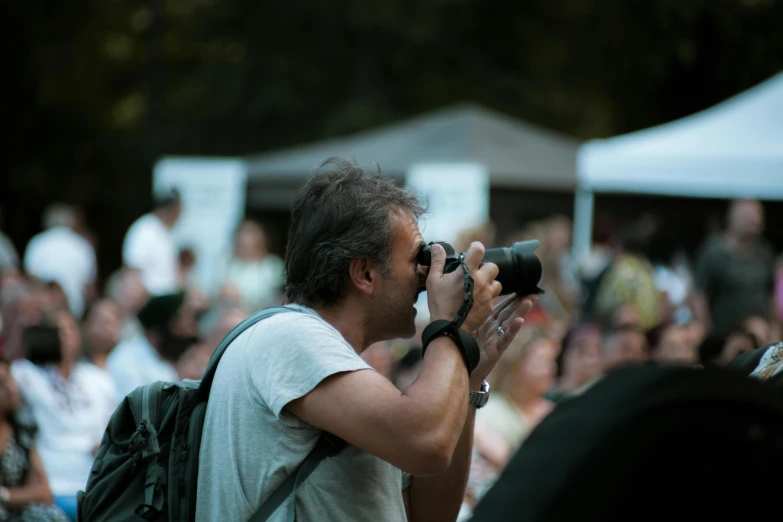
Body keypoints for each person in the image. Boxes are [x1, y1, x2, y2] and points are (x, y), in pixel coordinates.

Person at [195, 157, 537, 522]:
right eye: (416, 259)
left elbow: (430, 514)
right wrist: (452, 327)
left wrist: (466, 377)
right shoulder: (290, 338)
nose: (425, 275)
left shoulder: (338, 366)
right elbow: (427, 444)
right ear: (365, 273)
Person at [11, 312, 116, 520]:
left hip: (93, 481)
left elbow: (109, 433)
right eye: (57, 332)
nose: (64, 337)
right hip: (52, 483)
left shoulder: (98, 379)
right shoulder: (26, 374)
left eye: (69, 330)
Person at [0, 355, 70, 522]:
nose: (12, 387)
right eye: (2, 383)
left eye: (11, 378)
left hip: (14, 513)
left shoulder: (20, 431)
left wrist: (4, 495)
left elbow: (44, 492)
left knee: (51, 516)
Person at [694, 199, 776, 334]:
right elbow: (699, 295)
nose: (753, 220)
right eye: (747, 215)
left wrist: (774, 327)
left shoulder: (765, 252)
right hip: (725, 333)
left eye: (757, 215)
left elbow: (770, 294)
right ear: (730, 218)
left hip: (762, 332)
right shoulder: (713, 252)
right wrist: (706, 331)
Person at [106, 291, 200, 398]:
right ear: (157, 332)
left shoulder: (166, 363)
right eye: (181, 326)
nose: (190, 331)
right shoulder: (127, 361)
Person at [23, 204, 97, 319]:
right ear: (72, 223)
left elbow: (30, 280)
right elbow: (90, 289)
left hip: (41, 313)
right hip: (75, 313)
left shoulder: (37, 243)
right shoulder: (83, 245)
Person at [122, 189, 182, 295]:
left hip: (165, 297)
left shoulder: (165, 231)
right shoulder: (144, 229)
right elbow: (132, 269)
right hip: (148, 298)